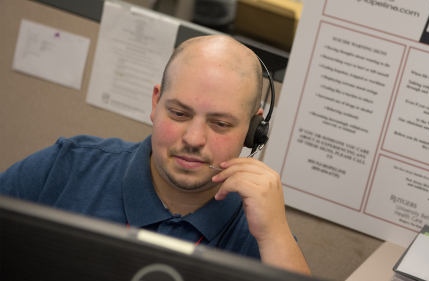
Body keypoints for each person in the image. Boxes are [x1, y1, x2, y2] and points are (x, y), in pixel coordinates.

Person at [0, 35, 310, 275]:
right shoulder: (66, 167)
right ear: (156, 102)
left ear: (252, 130)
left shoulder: (261, 231)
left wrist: (274, 235)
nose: (193, 139)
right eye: (178, 113)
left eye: (220, 124)